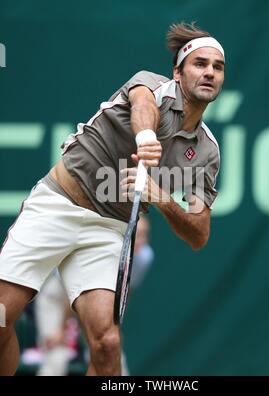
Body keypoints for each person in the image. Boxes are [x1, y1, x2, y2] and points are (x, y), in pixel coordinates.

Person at [0, 22, 224, 375]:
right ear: (177, 73)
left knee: (107, 344)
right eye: (200, 64)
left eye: (217, 67)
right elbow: (142, 104)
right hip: (58, 204)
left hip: (108, 230)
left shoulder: (207, 152)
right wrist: (147, 135)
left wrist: (161, 198)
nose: (210, 72)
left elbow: (200, 234)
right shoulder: (150, 84)